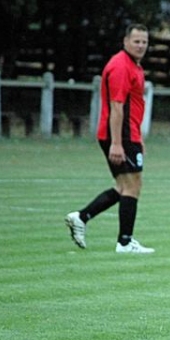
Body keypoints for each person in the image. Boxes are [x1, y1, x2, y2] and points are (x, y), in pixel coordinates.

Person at [64, 23, 154, 254]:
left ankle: (81, 217)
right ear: (125, 41)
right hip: (119, 136)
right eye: (137, 41)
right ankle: (125, 242)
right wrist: (117, 143)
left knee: (124, 186)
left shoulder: (133, 65)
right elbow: (116, 107)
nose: (141, 45)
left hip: (128, 135)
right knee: (133, 186)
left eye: (144, 41)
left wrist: (138, 137)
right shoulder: (121, 66)